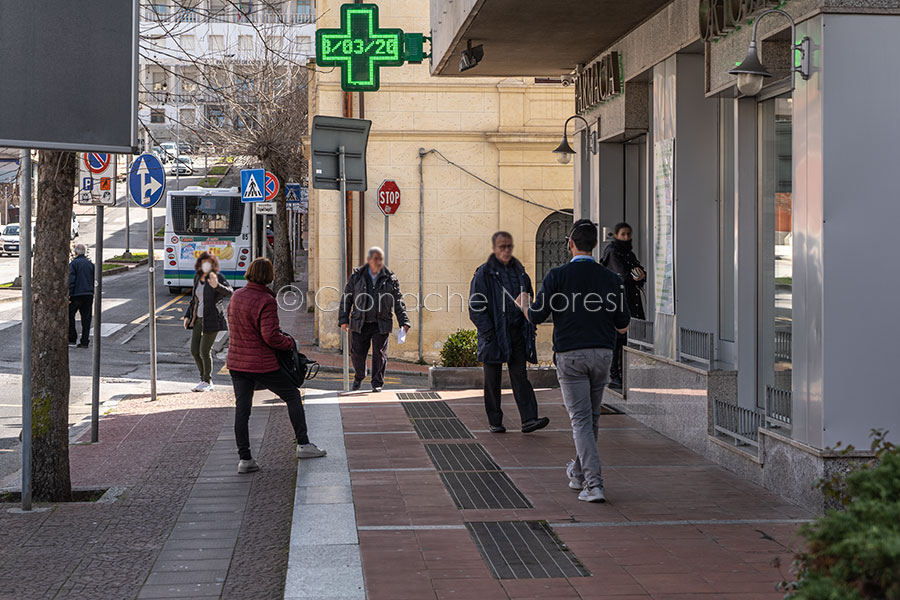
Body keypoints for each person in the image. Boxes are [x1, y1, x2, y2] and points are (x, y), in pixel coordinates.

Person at [519, 219, 630, 503]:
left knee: (581, 421)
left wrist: (523, 305)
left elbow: (536, 316)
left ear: (570, 244)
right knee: (590, 418)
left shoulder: (557, 276)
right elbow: (623, 324)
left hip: (570, 356)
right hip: (603, 354)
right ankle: (579, 474)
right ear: (594, 245)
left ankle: (594, 484)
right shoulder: (612, 279)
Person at [227, 258, 326, 474]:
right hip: (261, 363)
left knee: (242, 410)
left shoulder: (236, 296)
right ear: (269, 276)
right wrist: (291, 343)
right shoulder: (266, 300)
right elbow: (270, 336)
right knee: (292, 396)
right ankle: (303, 444)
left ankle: (245, 459)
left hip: (237, 362)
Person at [469, 232, 549, 434]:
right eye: (502, 247)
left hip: (516, 333)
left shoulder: (520, 272)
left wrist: (528, 323)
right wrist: (489, 333)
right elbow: (476, 307)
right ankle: (495, 421)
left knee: (520, 376)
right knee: (492, 381)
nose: (506, 250)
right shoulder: (484, 273)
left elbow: (529, 300)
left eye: (508, 247)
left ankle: (529, 419)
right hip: (494, 335)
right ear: (495, 248)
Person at [338, 246, 410, 392]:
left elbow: (398, 301)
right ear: (369, 260)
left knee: (380, 355)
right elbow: (346, 298)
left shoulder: (390, 278)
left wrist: (404, 321)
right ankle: (359, 375)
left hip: (380, 323)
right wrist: (343, 319)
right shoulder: (357, 277)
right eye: (375, 259)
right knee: (357, 354)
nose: (378, 262)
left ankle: (377, 383)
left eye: (380, 259)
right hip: (360, 322)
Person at [600, 222, 646, 388]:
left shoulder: (629, 253)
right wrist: (637, 275)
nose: (626, 237)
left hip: (630, 301)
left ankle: (623, 373)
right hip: (618, 303)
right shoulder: (613, 253)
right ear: (616, 235)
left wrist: (640, 275)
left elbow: (640, 271)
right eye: (623, 234)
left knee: (627, 339)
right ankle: (614, 375)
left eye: (628, 234)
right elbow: (625, 274)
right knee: (617, 340)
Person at [183, 252, 232, 392]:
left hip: (212, 319)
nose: (205, 265)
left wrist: (217, 286)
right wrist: (187, 316)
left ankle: (208, 381)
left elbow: (230, 292)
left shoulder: (217, 277)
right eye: (203, 262)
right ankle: (203, 379)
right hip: (197, 319)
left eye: (209, 262)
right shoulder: (198, 277)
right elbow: (194, 300)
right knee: (194, 350)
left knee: (204, 350)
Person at [68, 244, 94, 348]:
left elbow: (71, 280)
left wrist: (69, 294)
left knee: (70, 315)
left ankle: (72, 337)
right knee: (86, 319)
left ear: (75, 253)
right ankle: (84, 341)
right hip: (88, 294)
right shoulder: (90, 264)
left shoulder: (73, 264)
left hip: (76, 294)